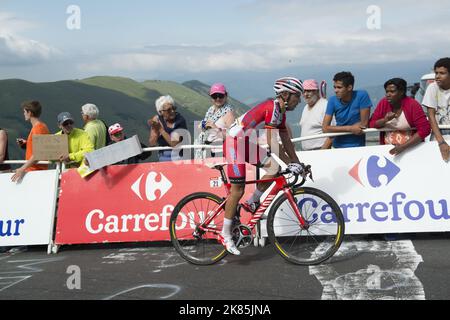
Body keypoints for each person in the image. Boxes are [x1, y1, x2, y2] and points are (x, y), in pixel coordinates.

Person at [221, 77, 305, 255]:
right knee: (237, 190)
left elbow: (286, 141)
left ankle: (252, 203)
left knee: (274, 168)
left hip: (243, 143)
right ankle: (225, 234)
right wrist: (290, 163)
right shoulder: (273, 108)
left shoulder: (280, 112)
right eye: (297, 96)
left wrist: (296, 162)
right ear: (285, 94)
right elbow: (272, 143)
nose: (300, 100)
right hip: (233, 144)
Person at [369, 78, 431, 155]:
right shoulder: (383, 103)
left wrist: (403, 147)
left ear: (401, 92)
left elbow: (425, 129)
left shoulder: (412, 105)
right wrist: (385, 120)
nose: (388, 94)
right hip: (387, 150)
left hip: (412, 149)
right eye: (387, 91)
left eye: (392, 91)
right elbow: (372, 123)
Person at [322, 72, 372, 148]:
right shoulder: (332, 100)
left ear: (349, 87)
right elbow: (325, 128)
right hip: (338, 145)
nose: (336, 90)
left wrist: (334, 128)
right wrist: (351, 128)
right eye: (334, 87)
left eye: (339, 87)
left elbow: (363, 124)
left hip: (357, 146)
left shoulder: (362, 95)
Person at [11, 101, 50, 182]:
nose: (24, 114)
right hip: (36, 171)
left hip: (35, 171)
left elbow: (38, 154)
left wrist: (22, 168)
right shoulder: (42, 126)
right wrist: (26, 144)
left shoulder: (38, 128)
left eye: (25, 112)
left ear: (30, 113)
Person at [195, 83, 236, 159]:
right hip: (207, 150)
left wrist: (215, 128)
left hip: (219, 152)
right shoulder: (211, 110)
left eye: (220, 96)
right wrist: (202, 126)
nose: (217, 99)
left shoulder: (228, 113)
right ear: (211, 97)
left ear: (226, 96)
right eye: (214, 96)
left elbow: (232, 137)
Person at [422, 57, 450, 162]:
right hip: (438, 138)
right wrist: (441, 142)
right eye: (436, 73)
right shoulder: (432, 88)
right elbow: (431, 116)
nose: (437, 76)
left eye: (442, 73)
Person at [148, 95, 188, 162]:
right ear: (161, 112)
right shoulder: (158, 119)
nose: (172, 111)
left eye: (173, 108)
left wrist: (160, 129)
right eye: (169, 110)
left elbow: (174, 143)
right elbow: (152, 143)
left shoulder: (180, 121)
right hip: (163, 157)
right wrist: (154, 128)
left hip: (179, 158)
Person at [299, 79, 333, 150]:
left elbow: (332, 133)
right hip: (307, 152)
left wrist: (322, 151)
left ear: (317, 92)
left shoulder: (325, 105)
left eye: (309, 91)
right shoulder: (306, 107)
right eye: (304, 91)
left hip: (320, 150)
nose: (305, 94)